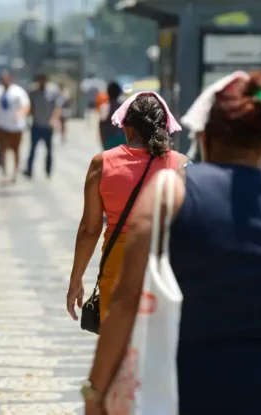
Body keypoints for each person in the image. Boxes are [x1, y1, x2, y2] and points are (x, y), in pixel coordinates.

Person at [82, 71, 261, 414]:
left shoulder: (169, 195)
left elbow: (126, 303)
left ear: (205, 134)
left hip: (188, 394)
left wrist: (96, 393)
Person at [66, 91, 187, 325]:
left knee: (118, 346)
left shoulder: (101, 164)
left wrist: (76, 280)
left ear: (127, 127)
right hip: (165, 266)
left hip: (118, 266)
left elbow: (89, 230)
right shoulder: (181, 164)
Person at [0, 71, 30, 184]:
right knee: (2, 150)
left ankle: (14, 172)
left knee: (15, 150)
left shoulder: (18, 91)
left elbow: (26, 106)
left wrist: (20, 114)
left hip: (15, 127)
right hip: (1, 125)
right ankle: (4, 173)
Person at [23, 73, 63, 179]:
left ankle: (48, 170)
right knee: (32, 149)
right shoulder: (33, 92)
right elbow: (29, 106)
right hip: (36, 124)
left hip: (47, 126)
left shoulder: (53, 91)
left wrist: (54, 119)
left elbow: (58, 107)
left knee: (49, 150)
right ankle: (29, 170)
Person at [98, 82, 127, 150]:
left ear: (108, 93)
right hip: (123, 140)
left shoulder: (105, 108)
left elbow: (102, 125)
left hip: (109, 140)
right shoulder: (124, 107)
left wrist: (103, 142)